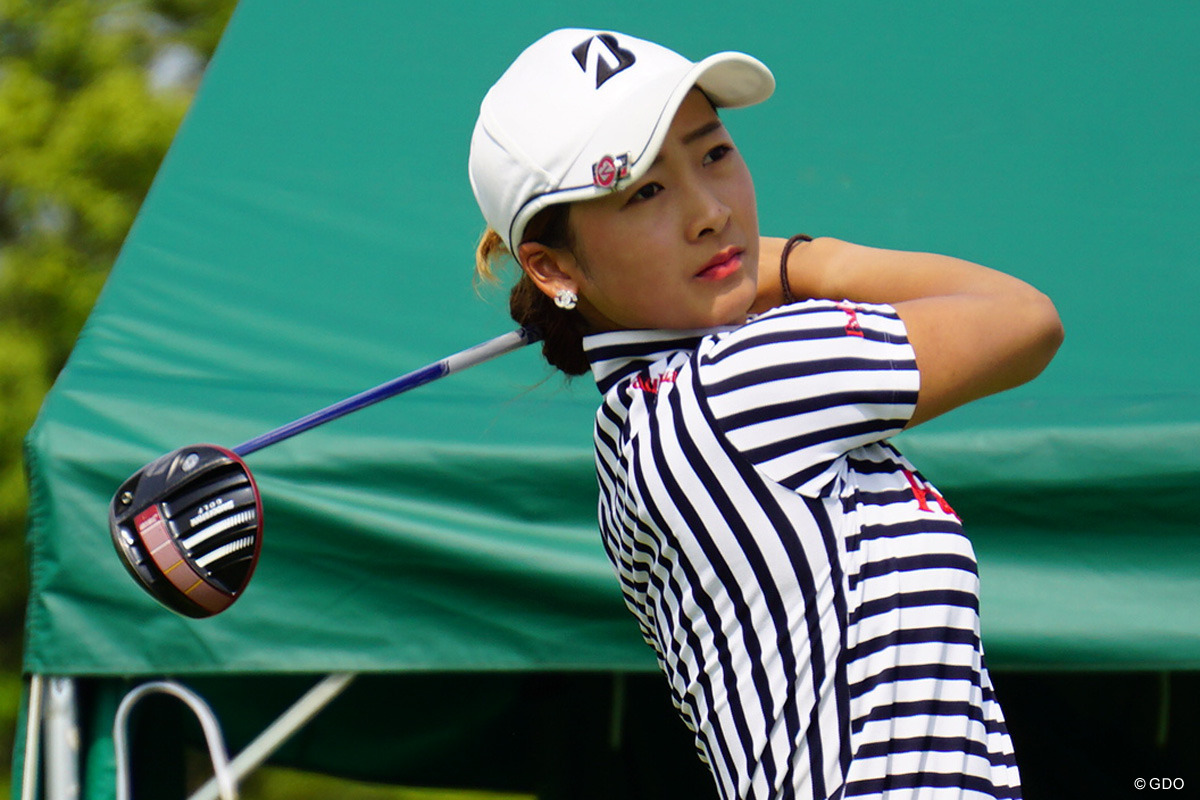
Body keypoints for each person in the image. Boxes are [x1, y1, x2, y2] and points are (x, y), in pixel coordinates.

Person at [469, 28, 1062, 800]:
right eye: (645, 191)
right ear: (553, 268)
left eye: (713, 153)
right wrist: (796, 261)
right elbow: (1023, 318)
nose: (710, 212)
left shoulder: (638, 423)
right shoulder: (741, 385)